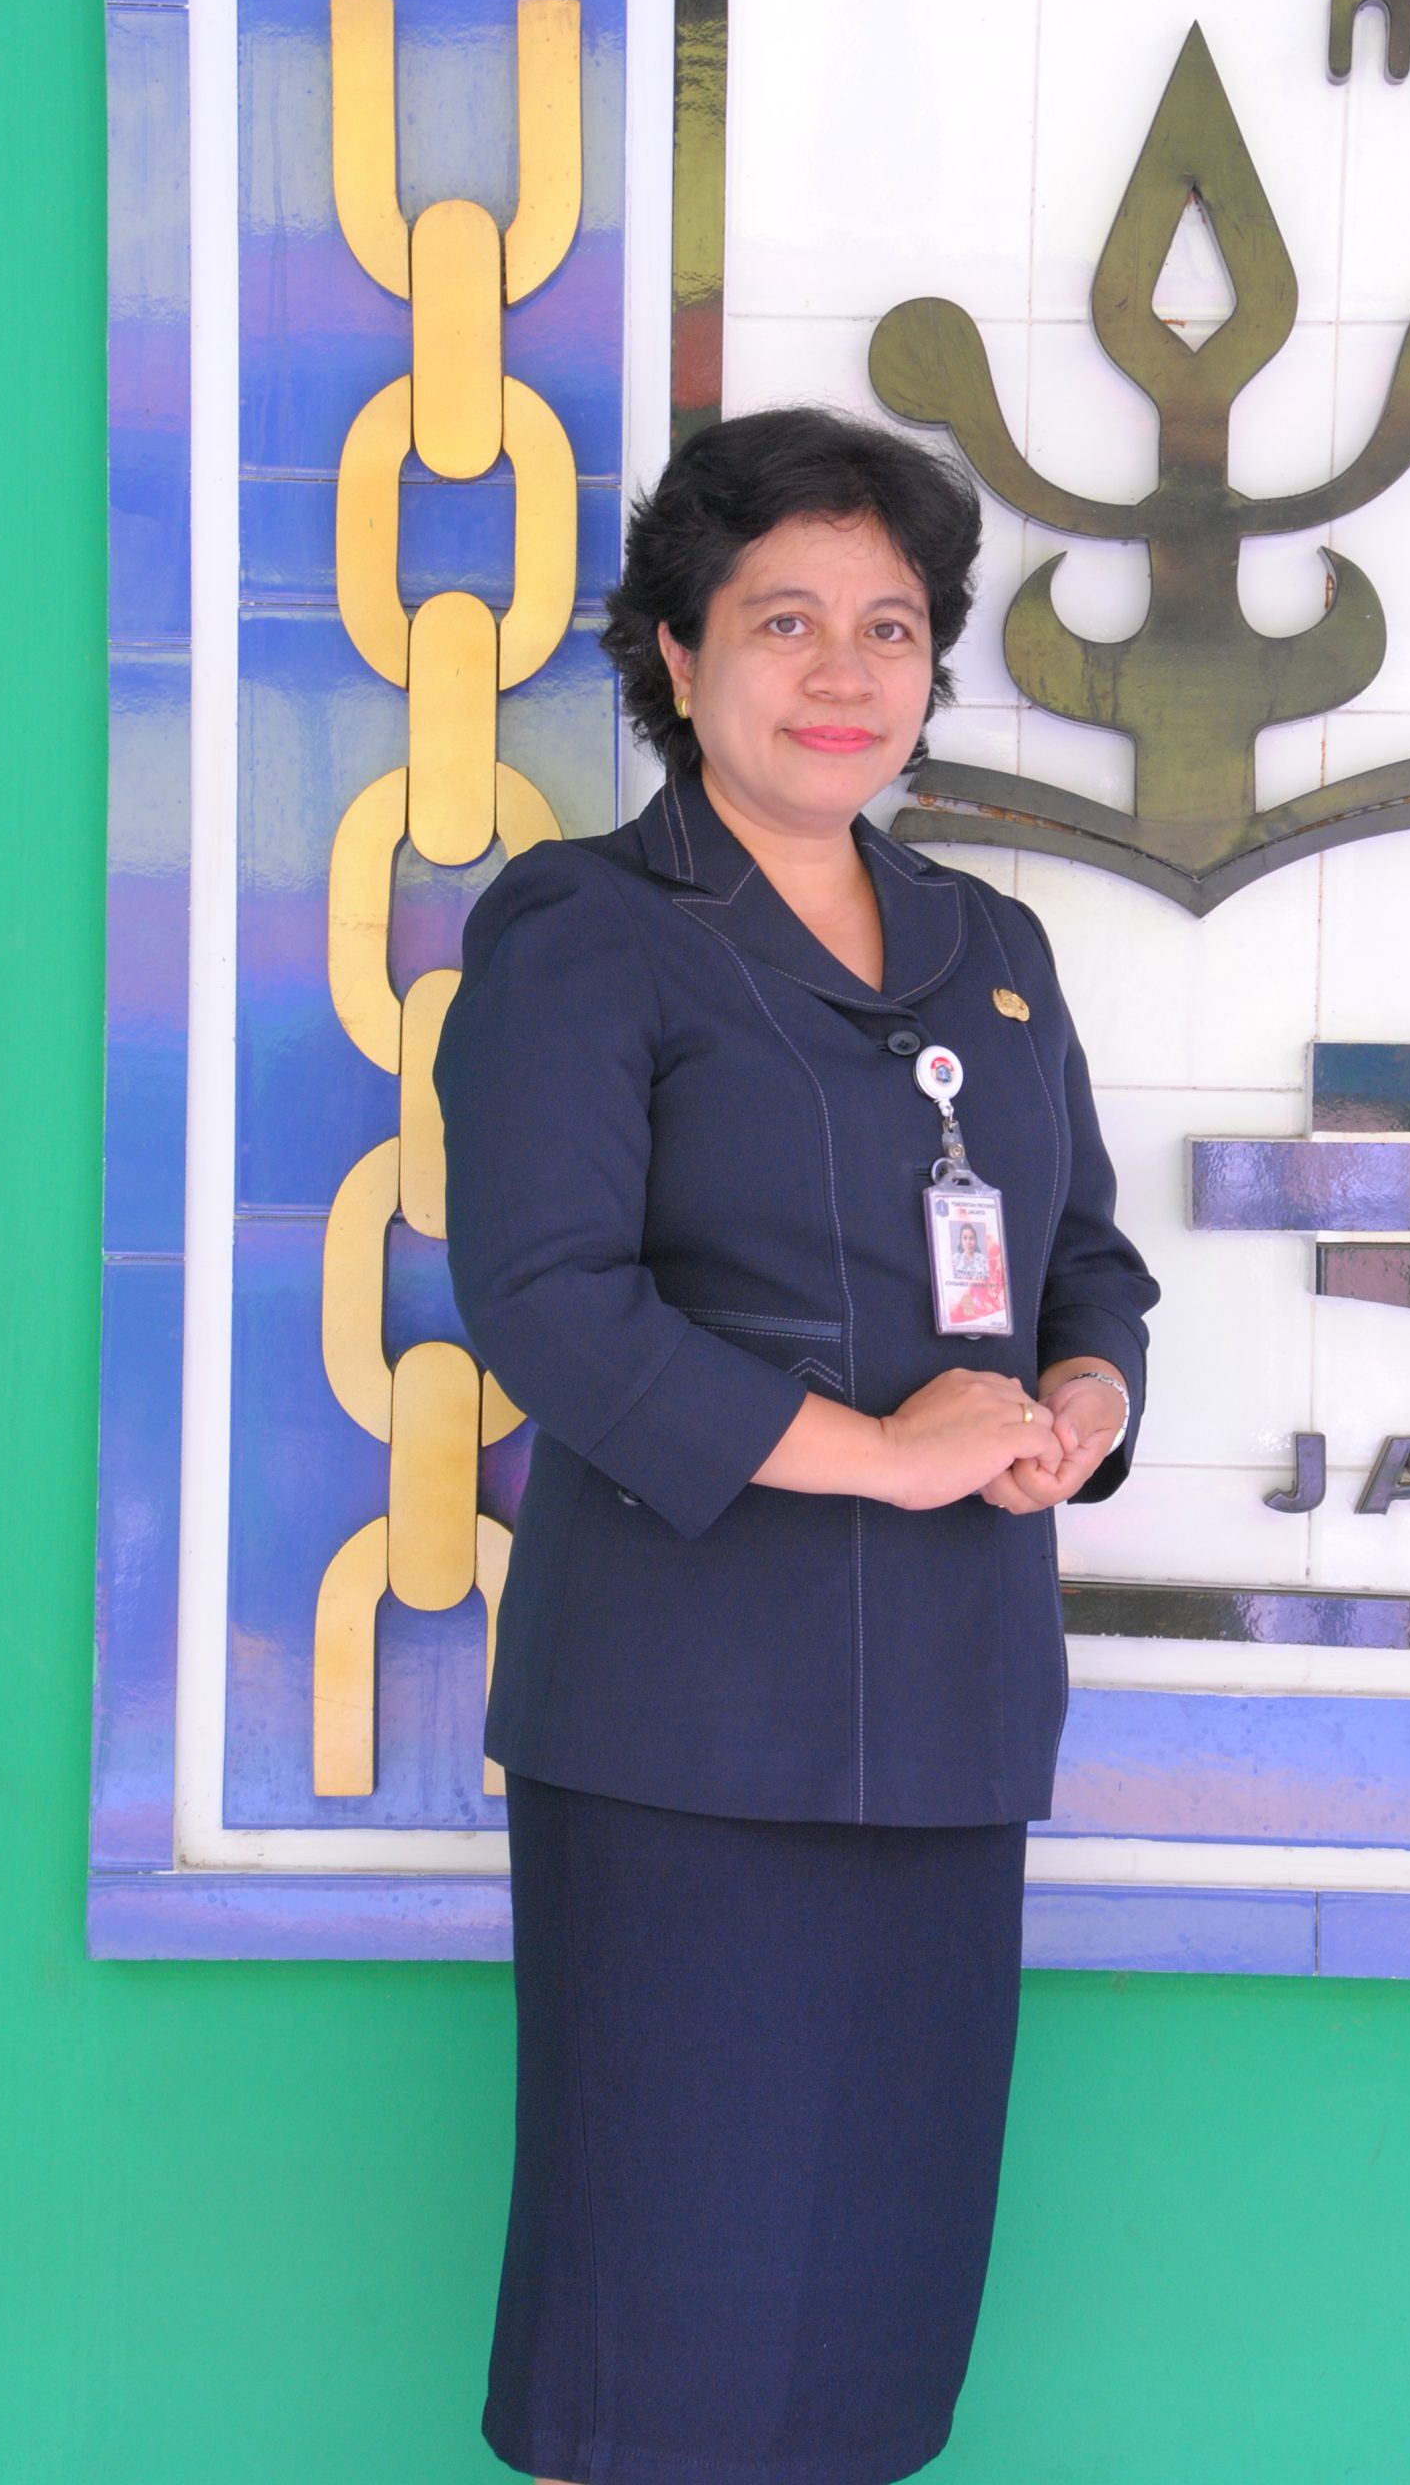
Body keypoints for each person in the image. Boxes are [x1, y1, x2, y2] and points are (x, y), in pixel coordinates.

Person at [434, 405, 1160, 2485]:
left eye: (889, 626)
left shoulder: (990, 949)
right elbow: (548, 1302)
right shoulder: (584, 925)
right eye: (782, 621)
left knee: (869, 2311)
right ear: (675, 654)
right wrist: (879, 1450)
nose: (844, 672)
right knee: (673, 2302)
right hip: (684, 1723)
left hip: (946, 1711)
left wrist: (1080, 1399)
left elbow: (1082, 1260)